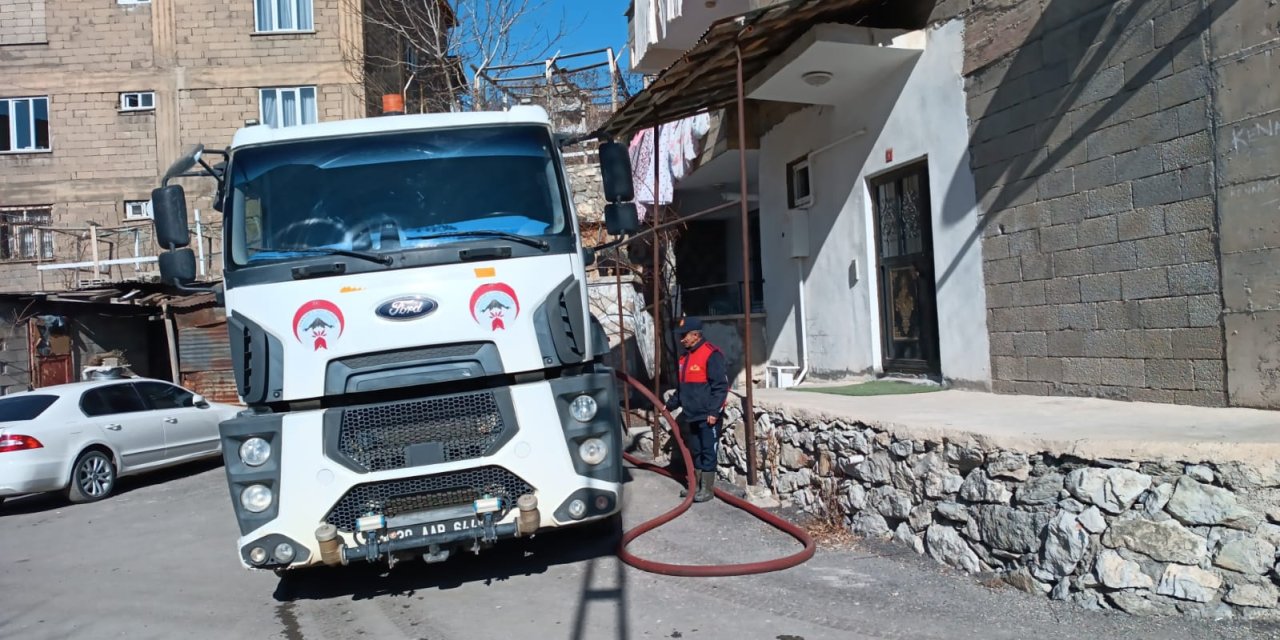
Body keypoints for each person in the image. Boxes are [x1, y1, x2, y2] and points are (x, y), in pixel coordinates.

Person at [664, 317, 729, 503]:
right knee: (697, 451)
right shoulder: (684, 358)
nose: (681, 339)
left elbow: (720, 387)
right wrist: (668, 405)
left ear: (696, 335)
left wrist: (713, 412)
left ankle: (707, 490)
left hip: (707, 416)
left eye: (684, 335)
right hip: (691, 415)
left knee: (708, 451)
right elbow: (682, 388)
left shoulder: (711, 354)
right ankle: (697, 486)